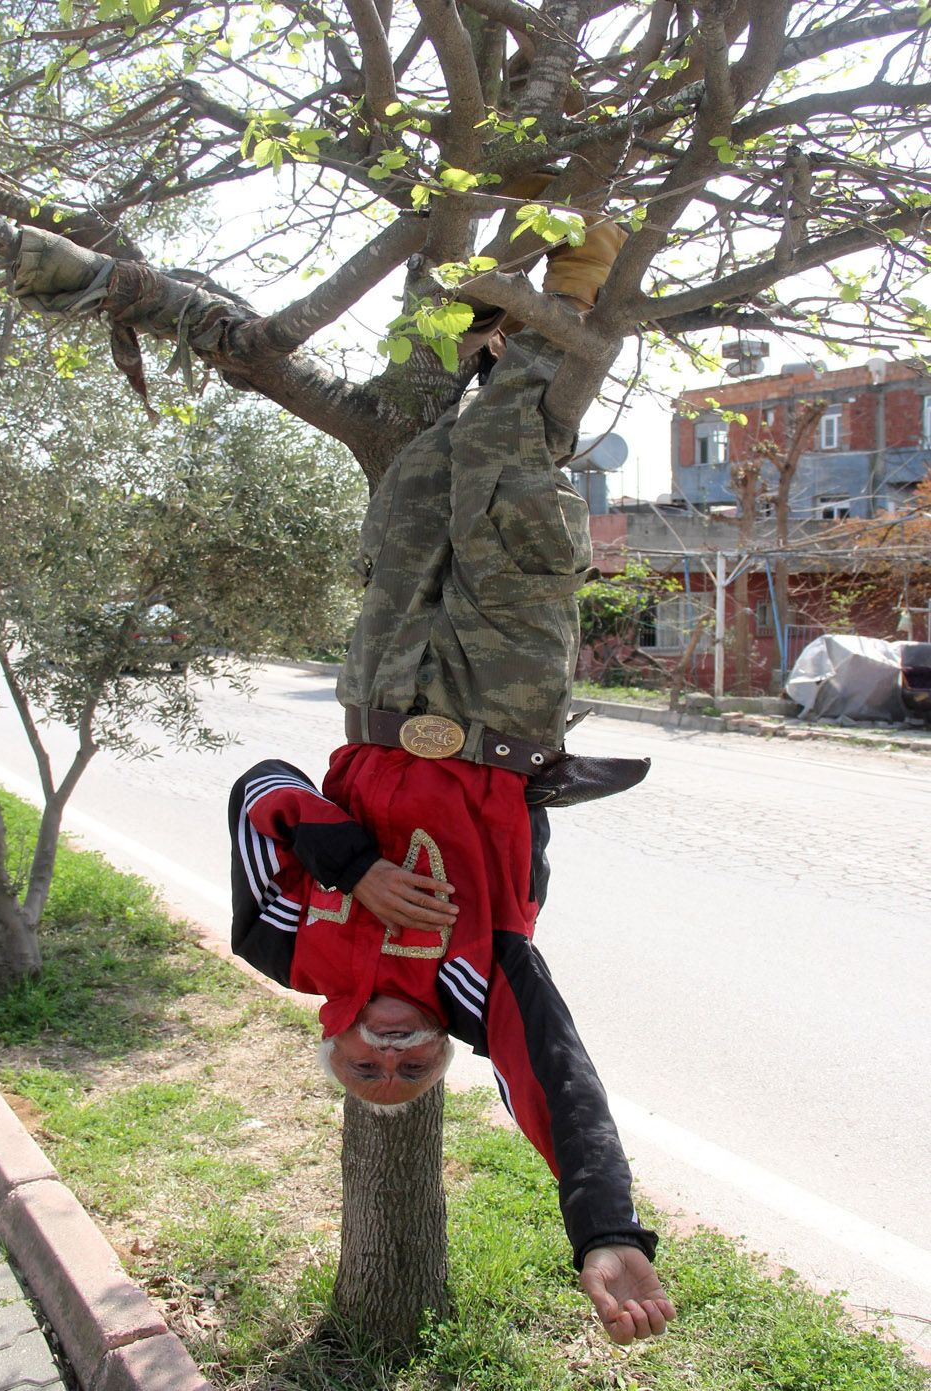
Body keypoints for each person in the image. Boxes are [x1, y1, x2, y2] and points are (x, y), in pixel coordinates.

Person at [230, 213, 676, 1344]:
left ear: (331, 1036)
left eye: (366, 1061)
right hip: (503, 708)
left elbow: (261, 789)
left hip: (379, 690)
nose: (391, 1048)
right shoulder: (480, 991)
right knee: (510, 470)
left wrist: (358, 864)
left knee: (423, 473)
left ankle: (475, 292)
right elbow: (558, 1086)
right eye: (407, 1065)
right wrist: (603, 1227)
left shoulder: (286, 944)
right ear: (435, 1051)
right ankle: (577, 278)